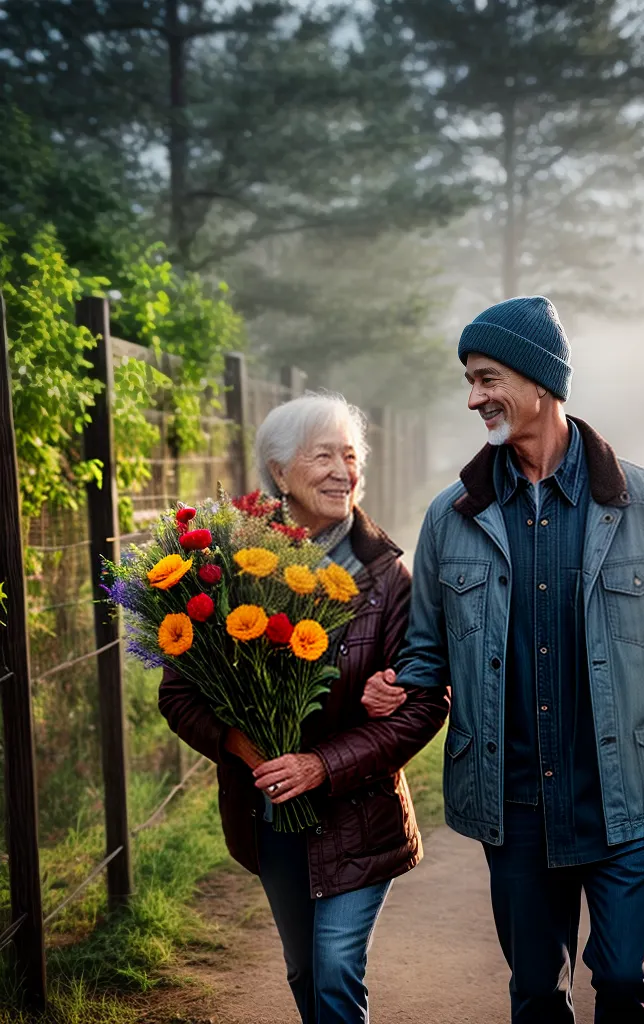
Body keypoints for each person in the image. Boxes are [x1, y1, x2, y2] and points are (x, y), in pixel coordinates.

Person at [363, 296, 644, 1022]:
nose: (473, 398)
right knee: (537, 992)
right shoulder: (450, 517)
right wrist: (398, 685)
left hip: (629, 798)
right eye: (469, 382)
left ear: (540, 381)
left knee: (625, 981)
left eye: (488, 379)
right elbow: (427, 651)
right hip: (514, 805)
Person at [159, 393, 449, 1024]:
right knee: (304, 970)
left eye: (351, 456)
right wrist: (241, 744)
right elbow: (178, 693)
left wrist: (320, 764)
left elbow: (424, 705)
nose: (343, 472)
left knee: (337, 965)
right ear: (279, 472)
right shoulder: (225, 568)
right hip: (270, 812)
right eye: (324, 457)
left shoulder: (388, 579)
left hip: (359, 813)